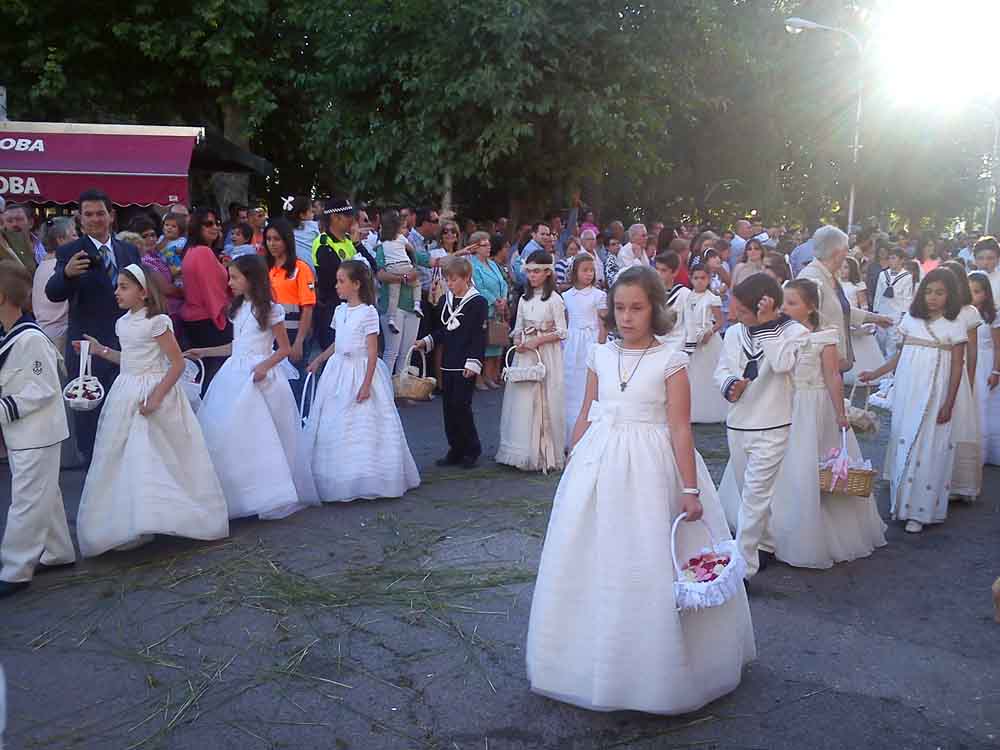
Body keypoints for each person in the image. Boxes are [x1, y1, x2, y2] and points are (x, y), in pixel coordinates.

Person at [526, 264, 754, 714]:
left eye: (637, 308)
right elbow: (588, 410)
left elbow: (680, 428)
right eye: (620, 308)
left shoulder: (671, 360)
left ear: (655, 310)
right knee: (594, 552)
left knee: (649, 554)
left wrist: (690, 489)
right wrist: (574, 455)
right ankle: (584, 658)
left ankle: (658, 665)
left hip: (653, 464)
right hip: (600, 458)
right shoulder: (600, 355)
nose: (627, 317)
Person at [724, 279, 886, 569]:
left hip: (812, 408)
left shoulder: (823, 336)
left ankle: (796, 535)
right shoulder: (776, 330)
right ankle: (764, 535)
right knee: (769, 474)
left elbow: (832, 376)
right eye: (783, 302)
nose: (784, 308)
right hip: (780, 405)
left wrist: (840, 413)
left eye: (792, 303)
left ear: (810, 307)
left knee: (804, 471)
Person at [75, 264, 229, 556]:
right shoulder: (123, 323)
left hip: (154, 390)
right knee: (126, 455)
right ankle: (134, 520)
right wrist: (99, 350)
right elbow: (129, 359)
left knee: (156, 453)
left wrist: (157, 397)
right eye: (117, 286)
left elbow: (177, 364)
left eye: (124, 287)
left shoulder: (157, 321)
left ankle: (165, 515)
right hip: (127, 391)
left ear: (143, 292)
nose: (117, 292)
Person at [187, 255, 304, 521]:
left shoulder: (271, 310)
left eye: (235, 277)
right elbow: (237, 346)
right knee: (229, 432)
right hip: (234, 374)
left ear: (251, 279)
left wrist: (264, 366)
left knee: (261, 434)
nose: (229, 283)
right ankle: (237, 492)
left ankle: (269, 493)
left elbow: (284, 349)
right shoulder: (238, 309)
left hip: (259, 376)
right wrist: (205, 351)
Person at [298, 261, 420, 502]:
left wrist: (366, 384)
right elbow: (338, 342)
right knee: (335, 420)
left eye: (341, 281)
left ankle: (368, 477)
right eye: (337, 281)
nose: (336, 286)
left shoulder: (368, 312)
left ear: (356, 284)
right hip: (338, 371)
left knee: (363, 422)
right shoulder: (340, 311)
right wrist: (320, 359)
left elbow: (372, 351)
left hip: (360, 369)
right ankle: (337, 477)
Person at [859, 269, 966, 534]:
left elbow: (956, 366)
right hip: (908, 391)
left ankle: (921, 511)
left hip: (936, 394)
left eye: (940, 293)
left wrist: (949, 402)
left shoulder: (955, 324)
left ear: (951, 295)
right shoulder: (911, 320)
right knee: (903, 439)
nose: (932, 298)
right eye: (928, 292)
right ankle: (901, 504)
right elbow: (899, 356)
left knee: (929, 446)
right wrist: (876, 373)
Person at [715, 275, 809, 576]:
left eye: (742, 311)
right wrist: (731, 385)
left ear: (763, 306)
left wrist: (767, 325)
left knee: (754, 497)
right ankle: (764, 545)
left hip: (773, 426)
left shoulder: (795, 331)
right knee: (750, 494)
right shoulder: (734, 333)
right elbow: (722, 369)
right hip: (738, 424)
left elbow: (782, 364)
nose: (734, 316)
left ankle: (741, 570)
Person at [45, 188, 141, 461]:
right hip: (87, 348)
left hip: (127, 345)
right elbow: (53, 293)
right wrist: (66, 274)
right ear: (80, 218)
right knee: (90, 420)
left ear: (111, 216)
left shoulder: (128, 250)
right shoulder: (69, 252)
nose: (95, 219)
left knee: (128, 415)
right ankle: (91, 473)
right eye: (88, 214)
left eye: (100, 213)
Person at [0, 263, 75, 598]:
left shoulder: (30, 339)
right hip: (23, 433)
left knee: (27, 500)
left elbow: (43, 387)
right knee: (44, 494)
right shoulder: (11, 335)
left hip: (38, 432)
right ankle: (58, 551)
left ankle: (15, 569)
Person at [415, 256, 489, 468]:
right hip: (448, 360)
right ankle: (455, 449)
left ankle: (471, 449)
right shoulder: (446, 300)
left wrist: (473, 362)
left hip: (465, 362)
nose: (450, 284)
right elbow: (444, 330)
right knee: (448, 408)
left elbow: (478, 335)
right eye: (447, 280)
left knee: (462, 406)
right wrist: (427, 341)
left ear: (466, 278)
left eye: (454, 280)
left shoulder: (478, 302)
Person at [496, 251, 567, 472]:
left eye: (536, 271)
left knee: (544, 397)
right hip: (526, 353)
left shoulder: (555, 299)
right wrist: (518, 340)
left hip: (545, 352)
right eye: (529, 272)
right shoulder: (524, 299)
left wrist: (538, 340)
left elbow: (562, 331)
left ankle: (544, 452)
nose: (532, 276)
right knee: (524, 397)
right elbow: (518, 326)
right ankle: (521, 449)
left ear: (547, 273)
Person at [797, 226, 892, 373]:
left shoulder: (830, 276)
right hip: (819, 364)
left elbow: (839, 310)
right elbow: (805, 322)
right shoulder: (811, 278)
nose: (848, 254)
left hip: (832, 360)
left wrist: (875, 318)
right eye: (846, 250)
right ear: (836, 253)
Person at [942, 261, 983, 501]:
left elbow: (973, 349)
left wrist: (970, 376)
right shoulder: (935, 309)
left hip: (959, 372)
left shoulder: (969, 312)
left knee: (958, 423)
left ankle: (957, 483)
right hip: (936, 371)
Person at [180, 209, 232, 390]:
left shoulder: (192, 251)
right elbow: (212, 292)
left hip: (196, 321)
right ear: (197, 227)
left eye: (217, 223)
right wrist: (222, 319)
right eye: (208, 224)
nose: (215, 227)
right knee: (216, 379)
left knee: (204, 376)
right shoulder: (203, 252)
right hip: (209, 321)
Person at [561, 253, 607, 449]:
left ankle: (591, 435)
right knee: (571, 386)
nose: (589, 274)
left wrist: (600, 345)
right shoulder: (566, 296)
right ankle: (570, 434)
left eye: (592, 270)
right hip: (572, 343)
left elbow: (603, 324)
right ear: (575, 272)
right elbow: (565, 322)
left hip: (591, 340)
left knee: (590, 386)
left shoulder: (599, 296)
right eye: (585, 270)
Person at [265, 218, 315, 393]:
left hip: (293, 334)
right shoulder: (266, 268)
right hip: (270, 335)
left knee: (294, 384)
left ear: (286, 240)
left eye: (277, 239)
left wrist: (299, 342)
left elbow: (307, 308)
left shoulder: (301, 268)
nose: (272, 244)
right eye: (268, 239)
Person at [684, 264, 728, 423]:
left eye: (703, 278)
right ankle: (692, 409)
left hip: (708, 340)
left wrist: (710, 331)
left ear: (708, 279)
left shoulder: (712, 298)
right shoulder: (688, 296)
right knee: (693, 374)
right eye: (696, 278)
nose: (699, 281)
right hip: (691, 339)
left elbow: (720, 321)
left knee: (708, 374)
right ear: (691, 279)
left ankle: (712, 409)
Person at [469, 231, 509, 389]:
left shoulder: (492, 264)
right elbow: (479, 286)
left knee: (495, 342)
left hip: (498, 310)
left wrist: (503, 299)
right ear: (475, 248)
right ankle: (478, 378)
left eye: (489, 244)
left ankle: (489, 376)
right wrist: (494, 301)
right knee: (482, 344)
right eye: (484, 245)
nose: (488, 248)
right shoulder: (473, 265)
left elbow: (503, 283)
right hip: (484, 308)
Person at [969, 272, 1000, 465]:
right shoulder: (961, 313)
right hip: (967, 361)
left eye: (977, 291)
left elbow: (998, 346)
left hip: (986, 363)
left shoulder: (992, 316)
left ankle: (986, 451)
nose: (973, 295)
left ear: (986, 293)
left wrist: (996, 371)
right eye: (969, 291)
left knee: (985, 404)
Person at [32, 218, 75, 354]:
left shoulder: (42, 265)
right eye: (74, 235)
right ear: (60, 240)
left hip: (44, 331)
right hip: (60, 337)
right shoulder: (61, 267)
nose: (78, 239)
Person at [840, 255, 883, 383]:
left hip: (854, 318)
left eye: (846, 267)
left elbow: (863, 304)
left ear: (852, 269)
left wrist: (864, 318)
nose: (842, 270)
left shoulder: (857, 285)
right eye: (841, 267)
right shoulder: (834, 284)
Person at [379, 210, 422, 334]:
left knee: (393, 296)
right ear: (396, 228)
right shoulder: (401, 239)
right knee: (417, 284)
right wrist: (406, 276)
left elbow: (429, 261)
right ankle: (417, 304)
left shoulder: (383, 243)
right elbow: (380, 274)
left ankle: (391, 319)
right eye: (404, 228)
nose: (407, 231)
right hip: (404, 267)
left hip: (392, 269)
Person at [872, 246, 914, 358]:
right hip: (882, 311)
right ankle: (879, 362)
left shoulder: (907, 277)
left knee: (892, 341)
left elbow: (907, 297)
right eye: (889, 258)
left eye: (894, 258)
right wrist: (875, 311)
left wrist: (904, 314)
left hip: (896, 313)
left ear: (902, 260)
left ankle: (889, 365)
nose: (891, 261)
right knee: (880, 338)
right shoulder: (883, 274)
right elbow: (878, 293)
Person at [1, 203, 41, 270]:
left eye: (19, 219)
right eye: (9, 221)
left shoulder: (45, 244)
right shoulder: (4, 250)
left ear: (31, 223)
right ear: (4, 225)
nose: (14, 224)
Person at [285, 196, 320, 273]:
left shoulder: (285, 230)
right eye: (311, 211)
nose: (313, 213)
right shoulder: (314, 226)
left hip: (295, 269)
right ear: (302, 215)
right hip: (313, 267)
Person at [973, 236, 1000, 303]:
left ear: (998, 260)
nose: (985, 262)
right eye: (980, 258)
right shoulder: (968, 280)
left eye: (990, 258)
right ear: (975, 260)